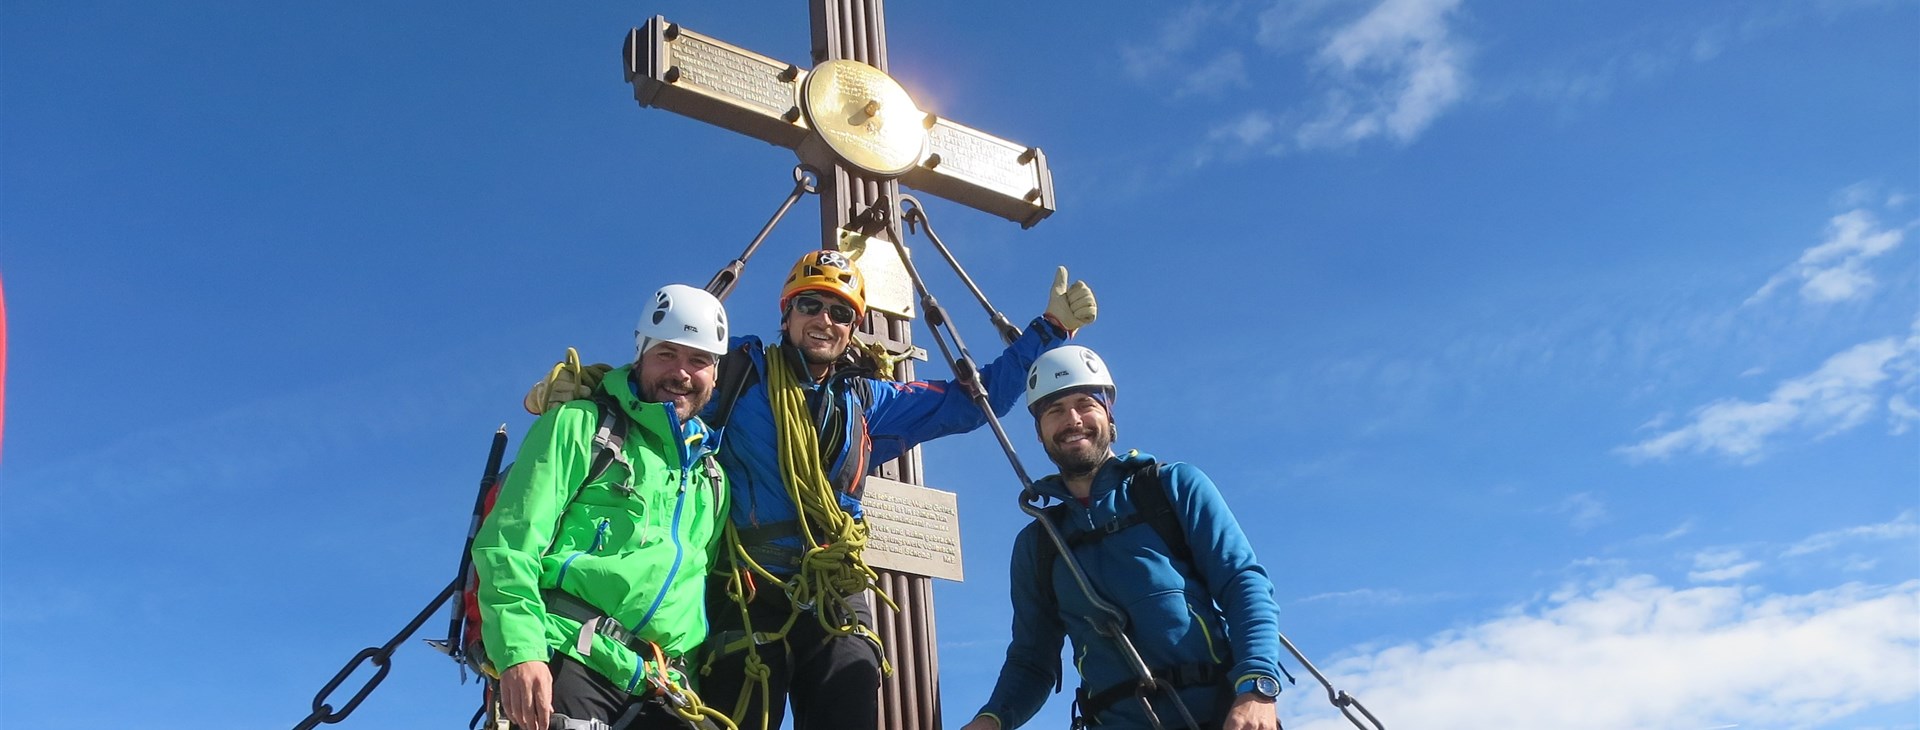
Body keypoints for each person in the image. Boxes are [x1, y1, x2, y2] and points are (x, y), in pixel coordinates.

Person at [527, 249, 1099, 730]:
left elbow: (971, 402)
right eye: (810, 305)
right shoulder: (742, 372)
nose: (824, 319)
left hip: (832, 594)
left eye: (840, 312)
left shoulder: (867, 401)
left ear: (852, 327)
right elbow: (671, 379)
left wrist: (1046, 333)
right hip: (747, 589)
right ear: (787, 314)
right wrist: (594, 388)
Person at [961, 345, 1284, 730]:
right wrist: (993, 718)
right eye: (1055, 410)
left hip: (1219, 716)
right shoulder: (1039, 543)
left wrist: (1257, 687)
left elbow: (1241, 583)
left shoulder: (1172, 487)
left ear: (1109, 415)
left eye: (1085, 404)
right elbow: (1032, 659)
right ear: (1040, 432)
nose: (1073, 419)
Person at [473, 284, 735, 730]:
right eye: (667, 354)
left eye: (698, 360)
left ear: (714, 372)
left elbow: (692, 593)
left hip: (662, 685)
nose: (682, 373)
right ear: (641, 354)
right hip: (569, 655)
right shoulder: (583, 426)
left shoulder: (711, 479)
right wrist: (521, 652)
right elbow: (509, 543)